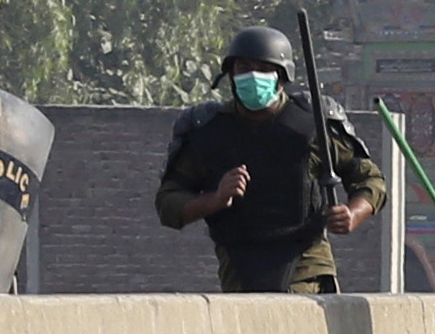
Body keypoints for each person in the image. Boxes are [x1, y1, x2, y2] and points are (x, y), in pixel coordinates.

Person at [154, 22, 377, 293]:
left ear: (281, 77)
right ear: (230, 75)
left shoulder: (313, 124)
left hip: (305, 263)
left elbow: (368, 178)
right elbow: (168, 203)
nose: (252, 76)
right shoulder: (207, 131)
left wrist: (353, 213)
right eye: (243, 69)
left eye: (263, 69)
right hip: (239, 265)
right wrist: (215, 199)